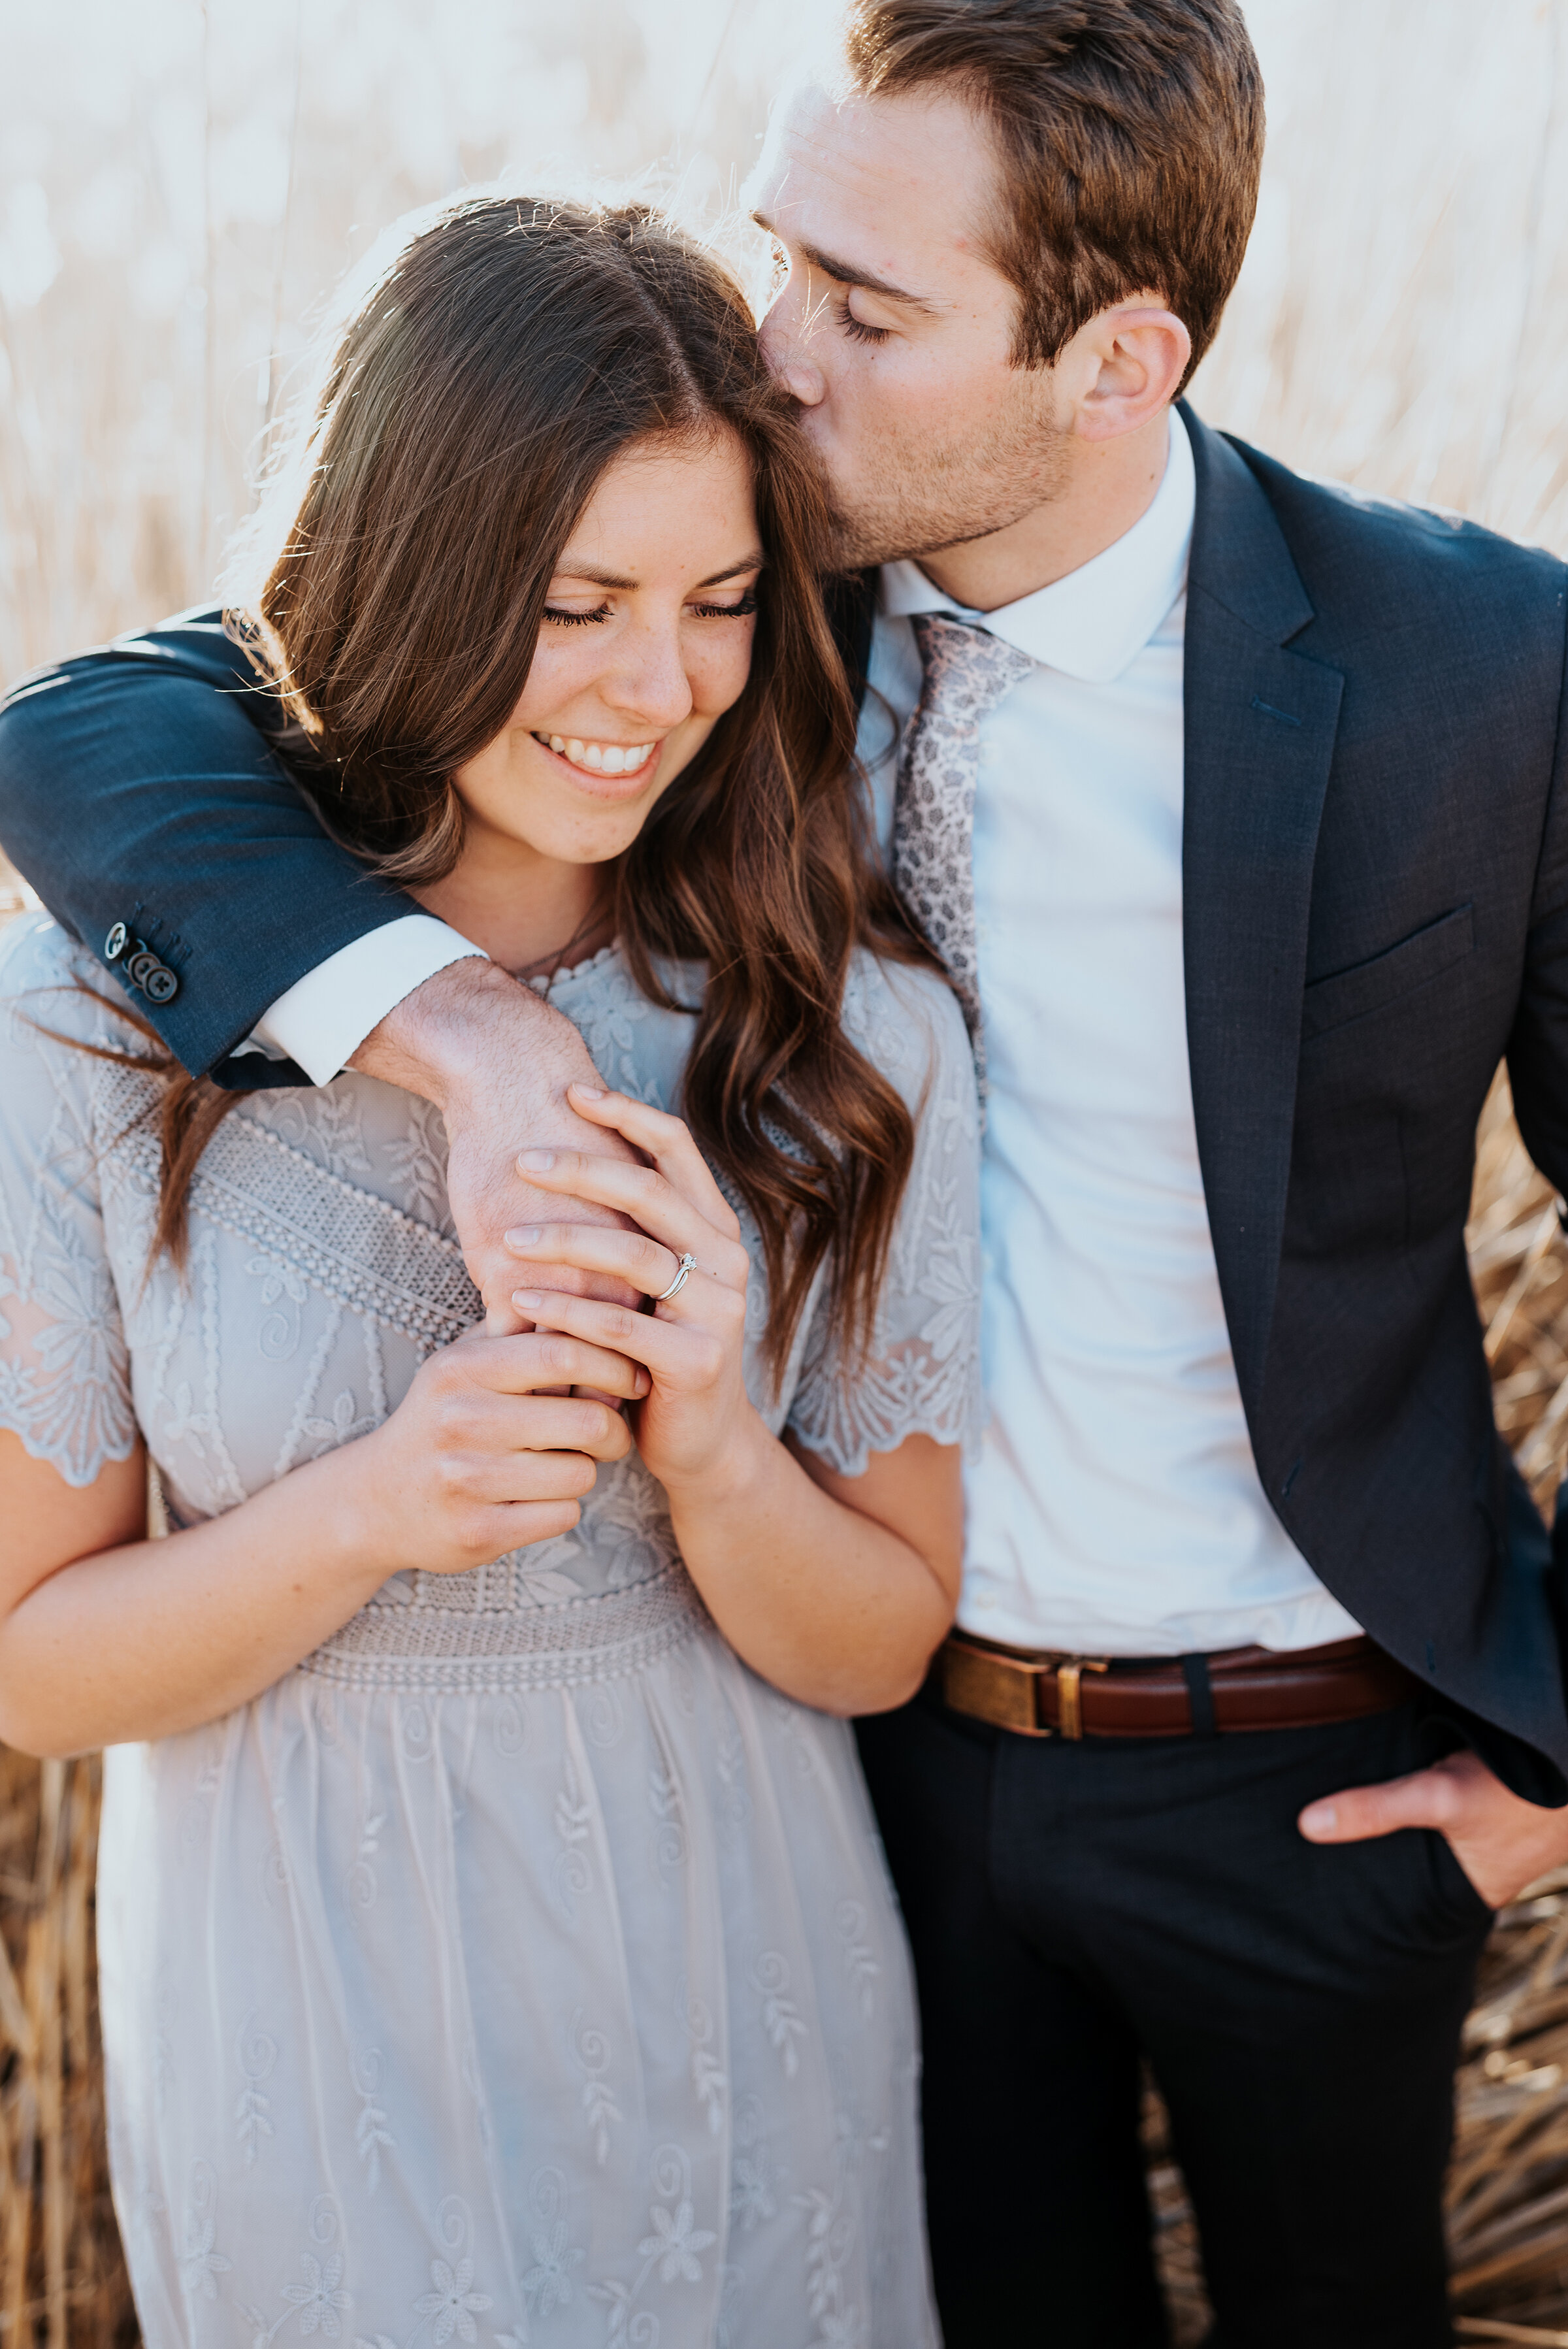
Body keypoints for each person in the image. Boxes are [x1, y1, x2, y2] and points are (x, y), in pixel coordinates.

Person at [5, 5, 1568, 2346]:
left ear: (1116, 359)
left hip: (1314, 1773)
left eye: (868, 302)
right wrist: (462, 1031)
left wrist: (1563, 1742)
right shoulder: (723, 582)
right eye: (776, 250)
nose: (772, 346)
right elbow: (94, 726)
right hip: (879, 1772)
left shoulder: (1477, 666)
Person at [0, 192, 983, 2345]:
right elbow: (27, 1659)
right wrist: (375, 1508)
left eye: (723, 599)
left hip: (735, 1965)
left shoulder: (849, 1031)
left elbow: (885, 1638)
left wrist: (717, 1446)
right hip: (304, 2007)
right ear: (417, 568)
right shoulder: (81, 1023)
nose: (661, 685)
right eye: (577, 603)